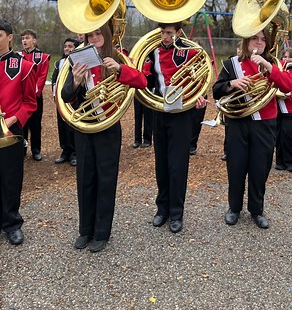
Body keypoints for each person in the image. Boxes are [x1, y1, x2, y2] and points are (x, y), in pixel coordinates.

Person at [61, 23, 147, 253]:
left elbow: (141, 81)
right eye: (91, 34)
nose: (95, 37)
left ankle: (102, 233)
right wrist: (77, 81)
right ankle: (85, 230)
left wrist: (119, 69)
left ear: (107, 35)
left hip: (108, 128)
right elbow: (65, 95)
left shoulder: (118, 56)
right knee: (85, 179)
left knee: (106, 180)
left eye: (99, 33)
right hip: (85, 127)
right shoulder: (77, 60)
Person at [213, 29, 292, 229]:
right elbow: (216, 90)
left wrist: (266, 65)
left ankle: (257, 210)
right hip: (238, 123)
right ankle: (234, 208)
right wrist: (232, 83)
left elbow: (287, 85)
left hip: (265, 123)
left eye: (263, 39)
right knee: (236, 167)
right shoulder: (232, 63)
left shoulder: (273, 64)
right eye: (255, 38)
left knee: (260, 169)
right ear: (246, 41)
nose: (259, 43)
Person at [143, 22, 208, 233]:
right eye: (162, 32)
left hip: (182, 113)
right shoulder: (152, 50)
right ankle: (162, 210)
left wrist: (199, 95)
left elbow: (201, 77)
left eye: (169, 33)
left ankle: (176, 213)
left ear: (179, 33)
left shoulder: (191, 51)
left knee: (178, 165)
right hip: (160, 110)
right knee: (161, 162)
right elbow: (145, 77)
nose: (165, 37)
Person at [0, 20, 37, 245]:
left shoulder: (22, 65)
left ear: (10, 37)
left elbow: (30, 102)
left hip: (10, 128)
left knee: (10, 178)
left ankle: (12, 223)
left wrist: (14, 119)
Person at [21, 29, 50, 161]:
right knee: (21, 124)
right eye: (22, 38)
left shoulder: (42, 57)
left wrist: (33, 92)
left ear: (34, 40)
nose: (24, 41)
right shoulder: (18, 56)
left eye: (27, 38)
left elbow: (42, 76)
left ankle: (36, 150)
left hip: (34, 96)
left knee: (35, 124)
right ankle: (22, 149)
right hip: (20, 97)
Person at [52, 38, 78, 166]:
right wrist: (55, 97)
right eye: (66, 46)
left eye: (70, 46)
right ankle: (65, 151)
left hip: (73, 100)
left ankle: (74, 152)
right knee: (61, 127)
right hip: (60, 100)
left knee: (71, 127)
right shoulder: (58, 63)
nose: (67, 48)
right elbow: (54, 81)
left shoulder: (77, 63)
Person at [221, 40, 242, 161]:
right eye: (238, 49)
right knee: (229, 130)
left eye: (241, 49)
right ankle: (227, 151)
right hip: (232, 101)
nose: (239, 51)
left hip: (244, 102)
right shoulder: (231, 63)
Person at [275, 47, 292, 172]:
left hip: (289, 110)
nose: (286, 59)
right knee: (279, 137)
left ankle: (289, 162)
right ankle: (280, 161)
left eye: (289, 57)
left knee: (288, 137)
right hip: (279, 110)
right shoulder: (281, 68)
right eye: (284, 57)